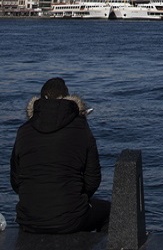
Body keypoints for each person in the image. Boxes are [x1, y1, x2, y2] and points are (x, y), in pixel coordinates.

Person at [9, 77, 110, 234]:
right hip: (70, 219)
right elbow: (93, 180)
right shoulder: (81, 128)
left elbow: (16, 181)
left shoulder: (24, 131)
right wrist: (75, 195)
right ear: (68, 98)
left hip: (28, 219)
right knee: (110, 212)